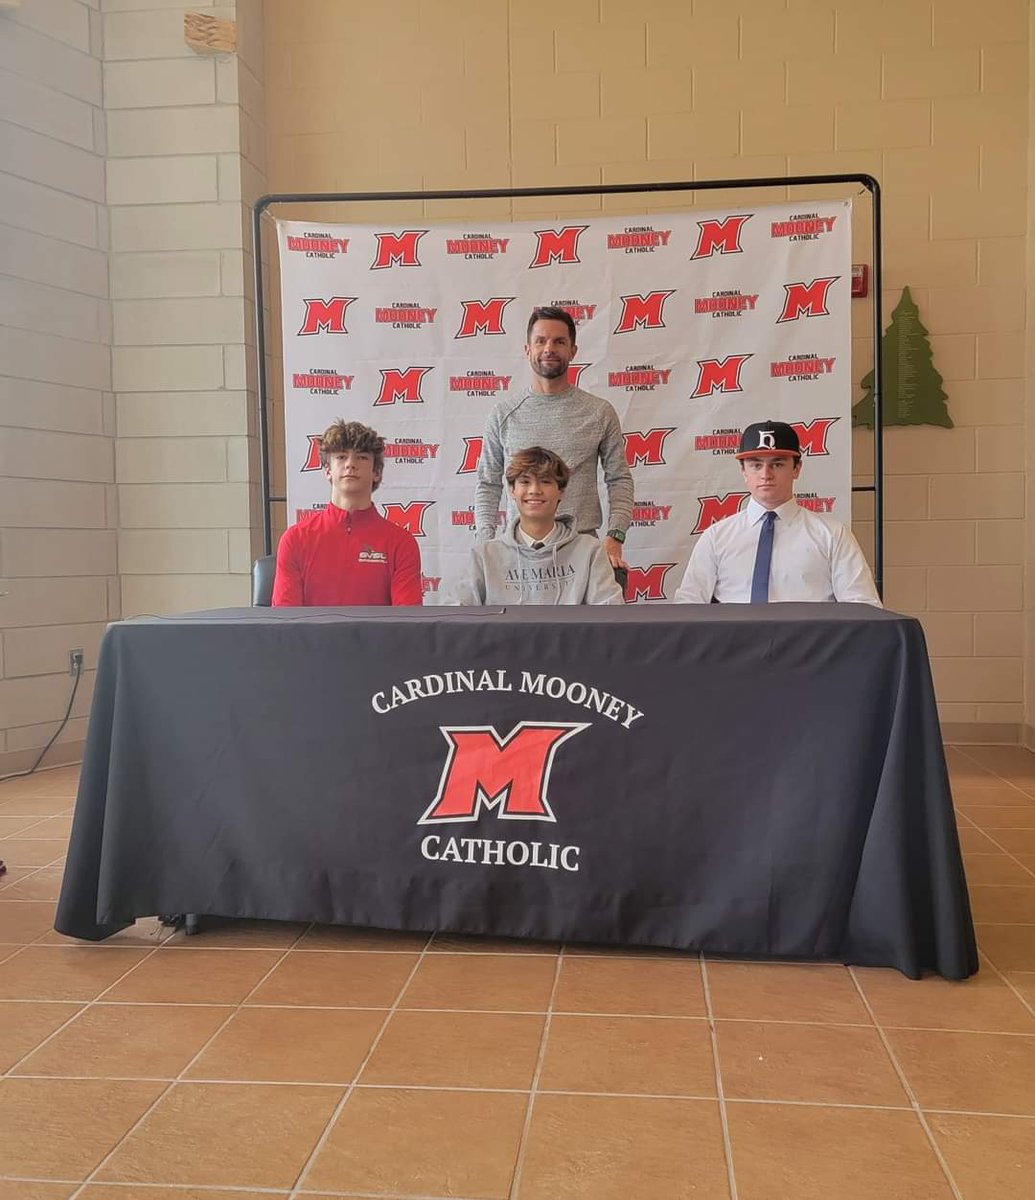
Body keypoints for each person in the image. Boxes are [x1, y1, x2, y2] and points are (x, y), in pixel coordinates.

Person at [474, 305, 634, 567]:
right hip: (520, 555)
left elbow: (619, 478)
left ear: (573, 351)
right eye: (540, 341)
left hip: (583, 553)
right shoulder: (503, 414)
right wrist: (485, 544)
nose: (549, 348)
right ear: (528, 349)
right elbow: (488, 482)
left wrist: (615, 536)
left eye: (559, 341)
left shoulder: (599, 412)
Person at [673, 419, 881, 605]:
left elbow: (863, 608)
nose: (766, 474)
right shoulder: (716, 537)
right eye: (756, 465)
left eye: (777, 464)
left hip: (809, 646)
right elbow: (689, 608)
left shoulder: (832, 535)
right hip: (734, 646)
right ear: (743, 471)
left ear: (797, 469)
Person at [272, 419, 423, 606]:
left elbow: (406, 626)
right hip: (313, 637)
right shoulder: (295, 539)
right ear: (327, 470)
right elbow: (286, 625)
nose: (350, 464)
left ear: (377, 472)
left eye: (361, 457)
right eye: (341, 457)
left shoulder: (401, 543)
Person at [454, 447, 625, 606]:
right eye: (525, 482)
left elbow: (610, 617)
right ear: (512, 490)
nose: (535, 490)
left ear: (561, 491)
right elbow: (457, 617)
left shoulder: (591, 550)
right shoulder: (483, 556)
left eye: (545, 481)